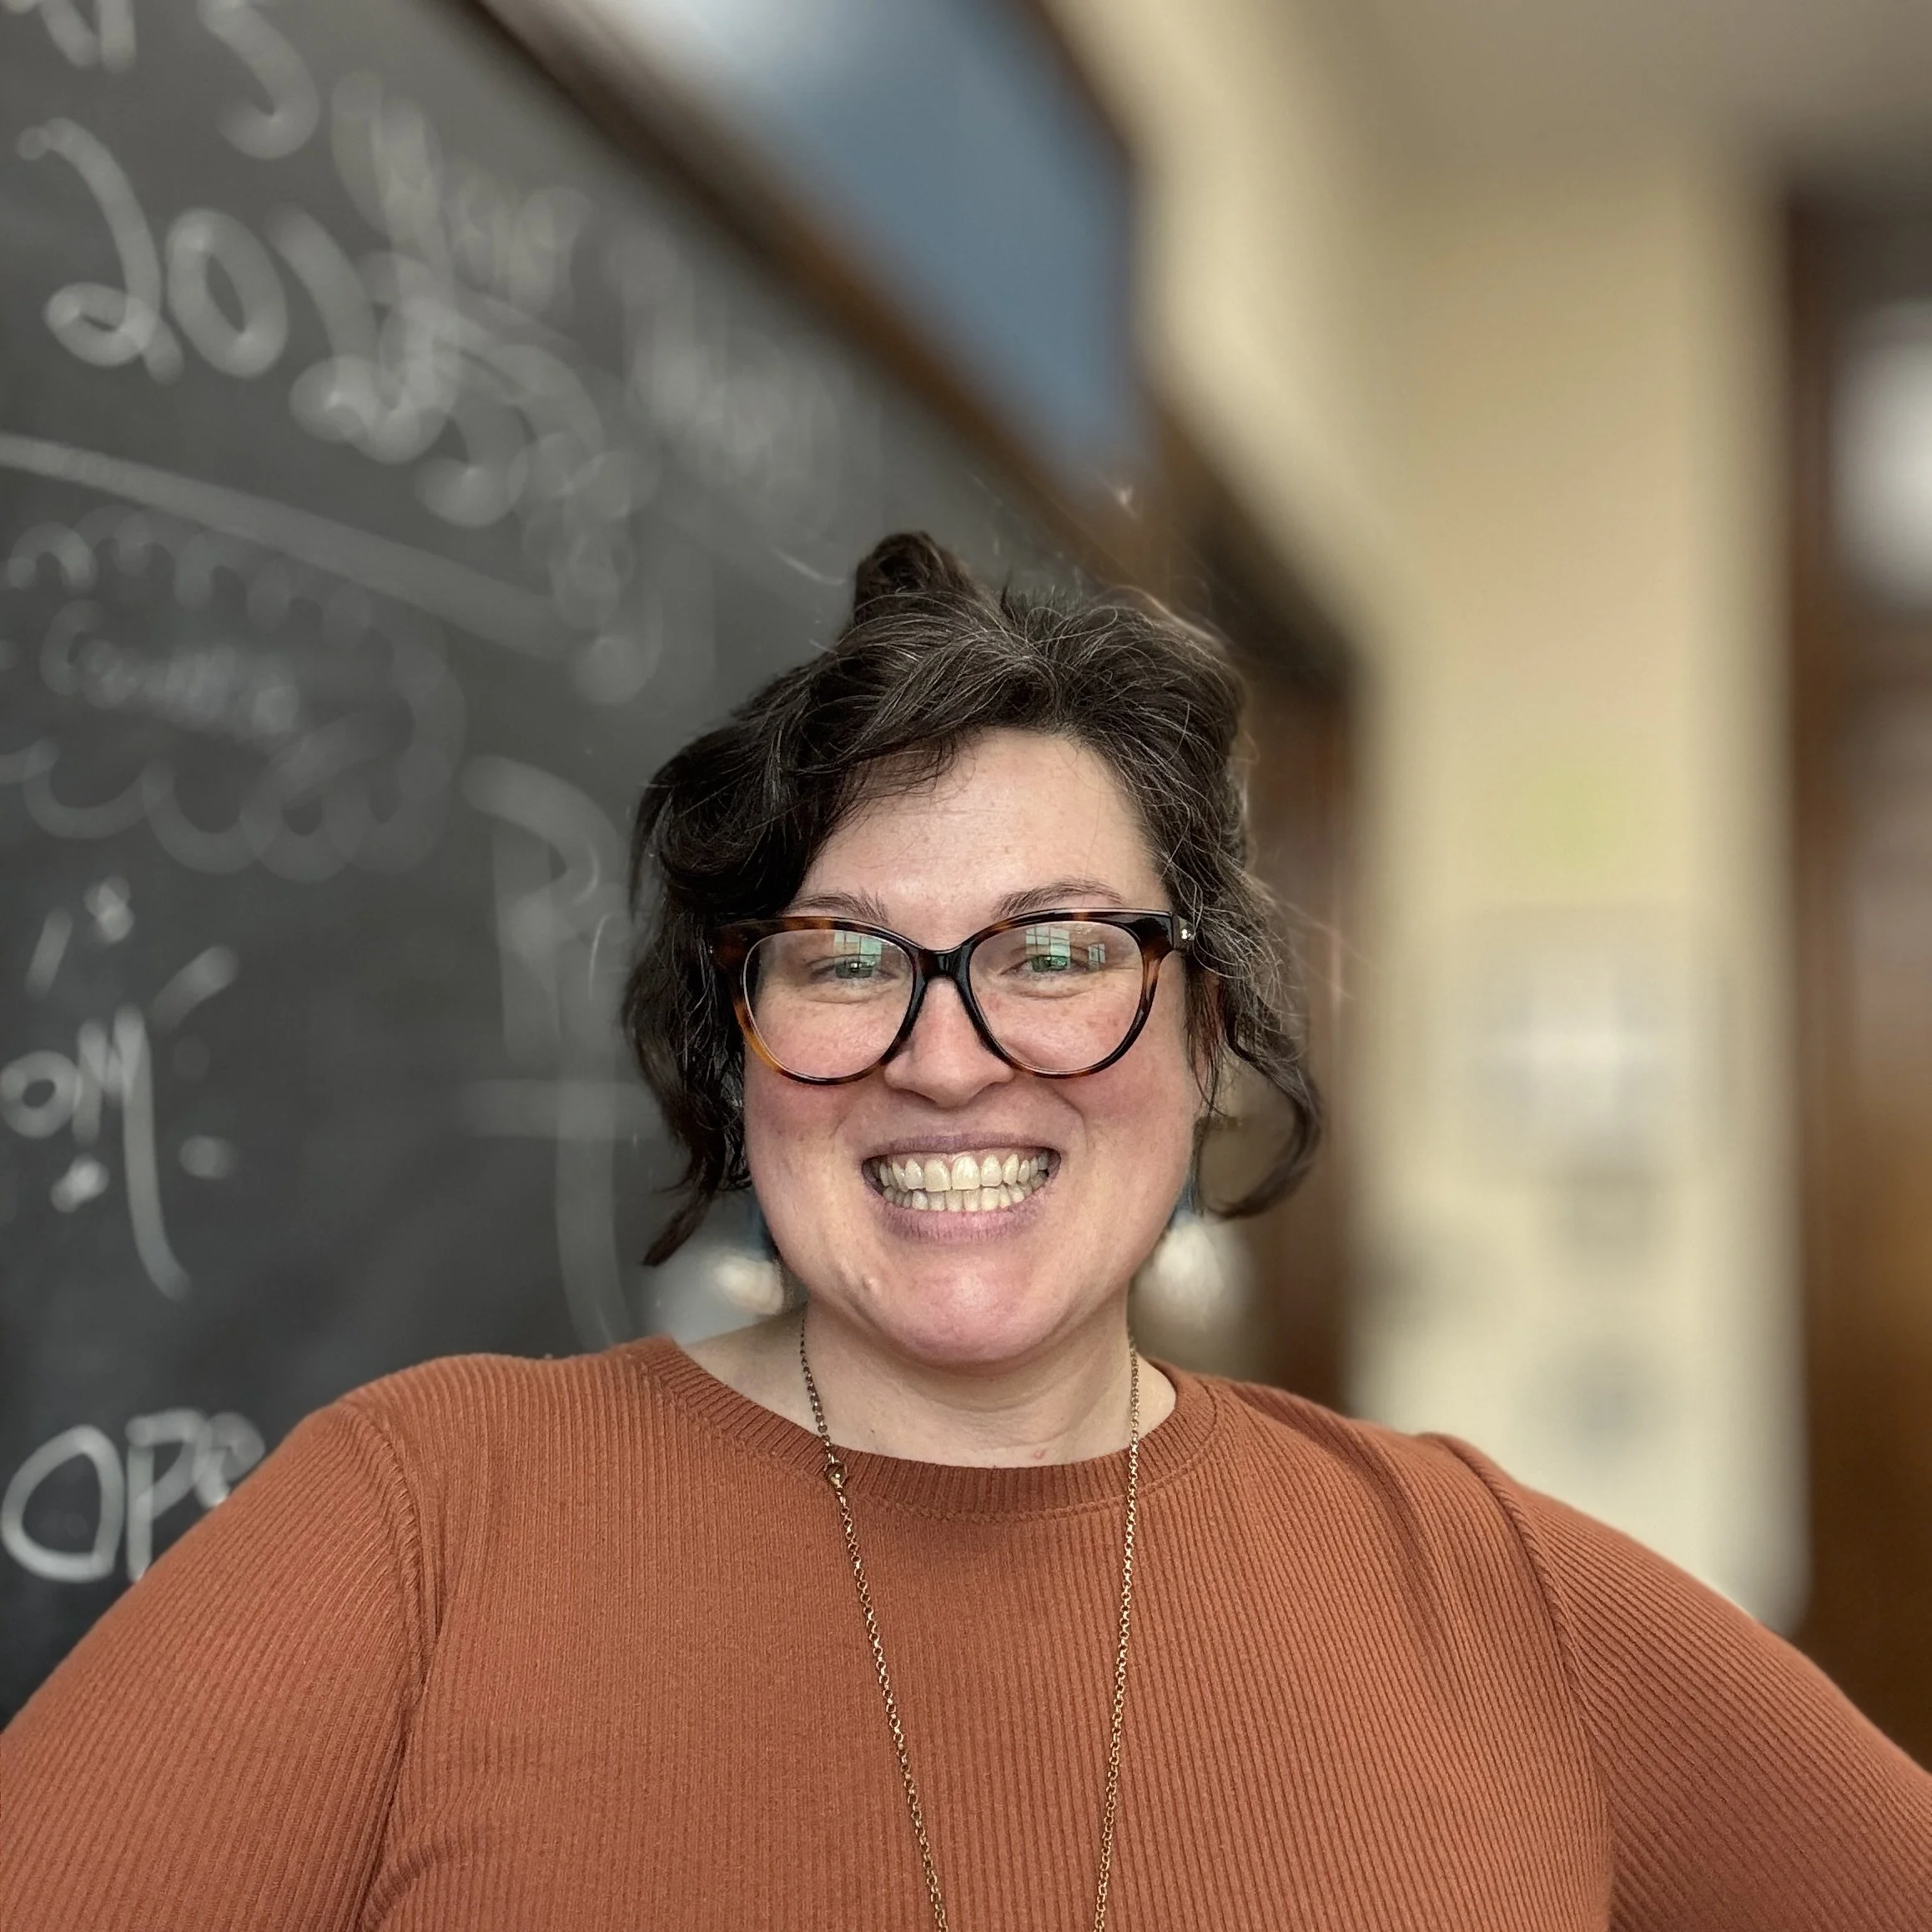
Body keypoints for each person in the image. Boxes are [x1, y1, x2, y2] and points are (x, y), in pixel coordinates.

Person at [2, 532, 1928, 1930]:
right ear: (733, 1047)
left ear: (1205, 1021)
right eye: (845, 962)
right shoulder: (420, 1526)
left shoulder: (1496, 1595)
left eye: (1061, 952)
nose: (952, 1059)